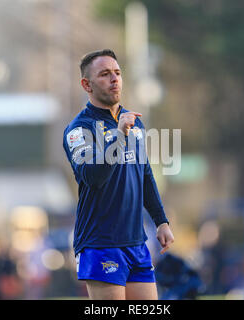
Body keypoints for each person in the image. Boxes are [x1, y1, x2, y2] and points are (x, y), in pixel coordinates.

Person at [63, 49, 174, 300]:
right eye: (104, 74)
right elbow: (93, 177)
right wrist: (119, 137)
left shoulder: (133, 123)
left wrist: (161, 221)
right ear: (86, 85)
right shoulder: (79, 129)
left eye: (117, 73)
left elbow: (144, 174)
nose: (114, 79)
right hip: (101, 243)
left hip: (136, 241)